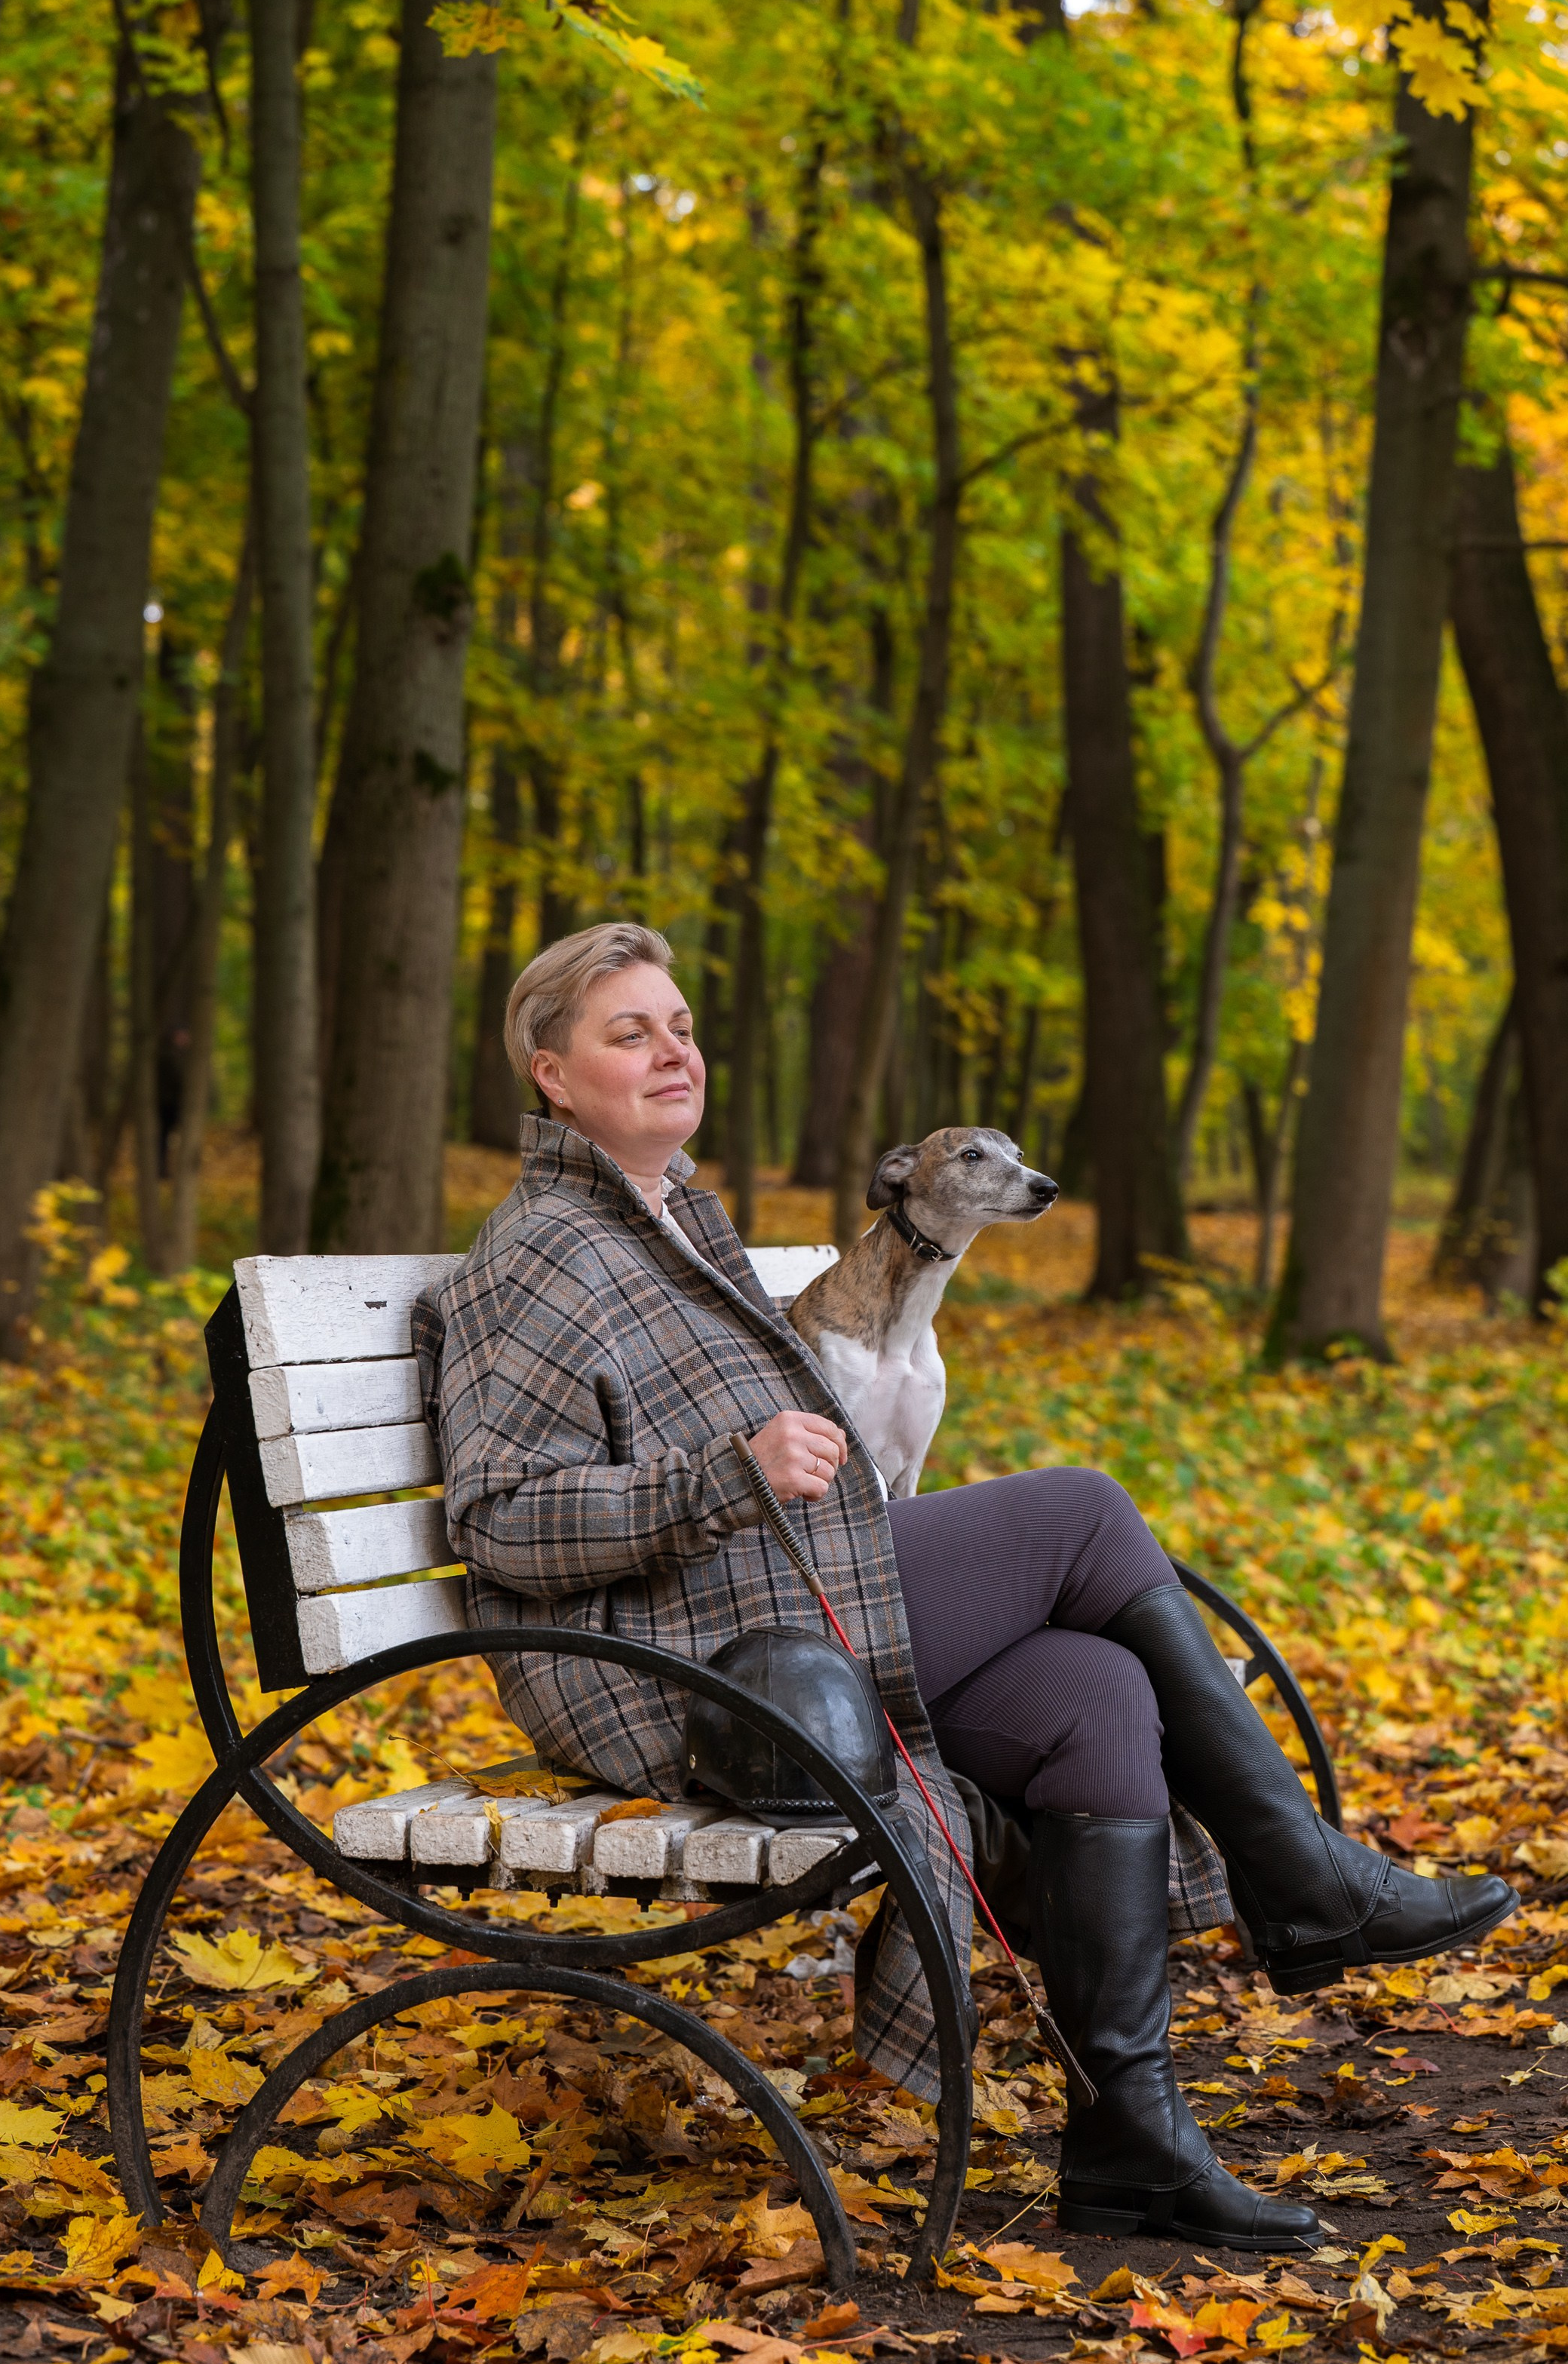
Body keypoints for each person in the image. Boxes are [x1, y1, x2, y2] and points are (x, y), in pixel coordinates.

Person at [413, 922, 1517, 2254]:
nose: (673, 1052)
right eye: (628, 1032)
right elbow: (497, 1520)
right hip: (680, 1661)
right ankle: (1304, 1880)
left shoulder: (673, 1224)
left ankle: (1134, 2147)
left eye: (684, 1025)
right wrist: (725, 1470)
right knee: (1084, 1511)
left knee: (1096, 1692)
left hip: (779, 1604)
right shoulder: (541, 1250)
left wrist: (747, 1477)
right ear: (550, 1073)